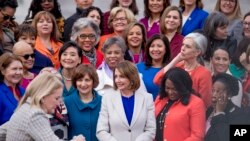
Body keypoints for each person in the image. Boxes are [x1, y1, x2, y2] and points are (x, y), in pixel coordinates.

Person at [0, 72, 85, 141]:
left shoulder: (26, 108)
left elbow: (2, 132)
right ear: (43, 97)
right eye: (56, 98)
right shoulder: (35, 115)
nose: (59, 103)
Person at [96, 61, 156, 141]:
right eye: (116, 76)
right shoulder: (107, 98)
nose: (117, 80)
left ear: (132, 77)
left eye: (122, 76)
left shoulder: (147, 98)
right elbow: (101, 131)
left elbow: (151, 130)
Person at [154, 32, 212, 108]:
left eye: (188, 46)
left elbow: (205, 102)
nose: (183, 48)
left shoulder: (204, 73)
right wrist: (176, 59)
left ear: (197, 52)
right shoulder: (178, 66)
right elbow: (157, 80)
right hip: (170, 109)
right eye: (183, 45)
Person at [155, 67, 206, 141]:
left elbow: (197, 136)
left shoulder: (196, 103)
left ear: (183, 87)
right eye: (167, 88)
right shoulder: (160, 98)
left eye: (174, 89)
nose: (170, 92)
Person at [205, 73, 249, 141]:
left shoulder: (241, 115)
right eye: (213, 90)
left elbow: (226, 137)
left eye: (218, 92)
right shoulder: (210, 110)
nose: (214, 95)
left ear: (229, 95)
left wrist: (219, 113)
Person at [64, 64, 101, 141]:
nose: (83, 84)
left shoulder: (104, 102)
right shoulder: (66, 102)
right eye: (80, 80)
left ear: (93, 81)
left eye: (87, 80)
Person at [137, 34, 171, 100]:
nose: (155, 49)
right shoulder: (138, 68)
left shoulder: (171, 69)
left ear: (166, 49)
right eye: (152, 46)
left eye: (159, 46)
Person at [0, 52, 24, 125]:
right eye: (14, 69)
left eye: (20, 69)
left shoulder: (24, 91)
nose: (18, 72)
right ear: (3, 71)